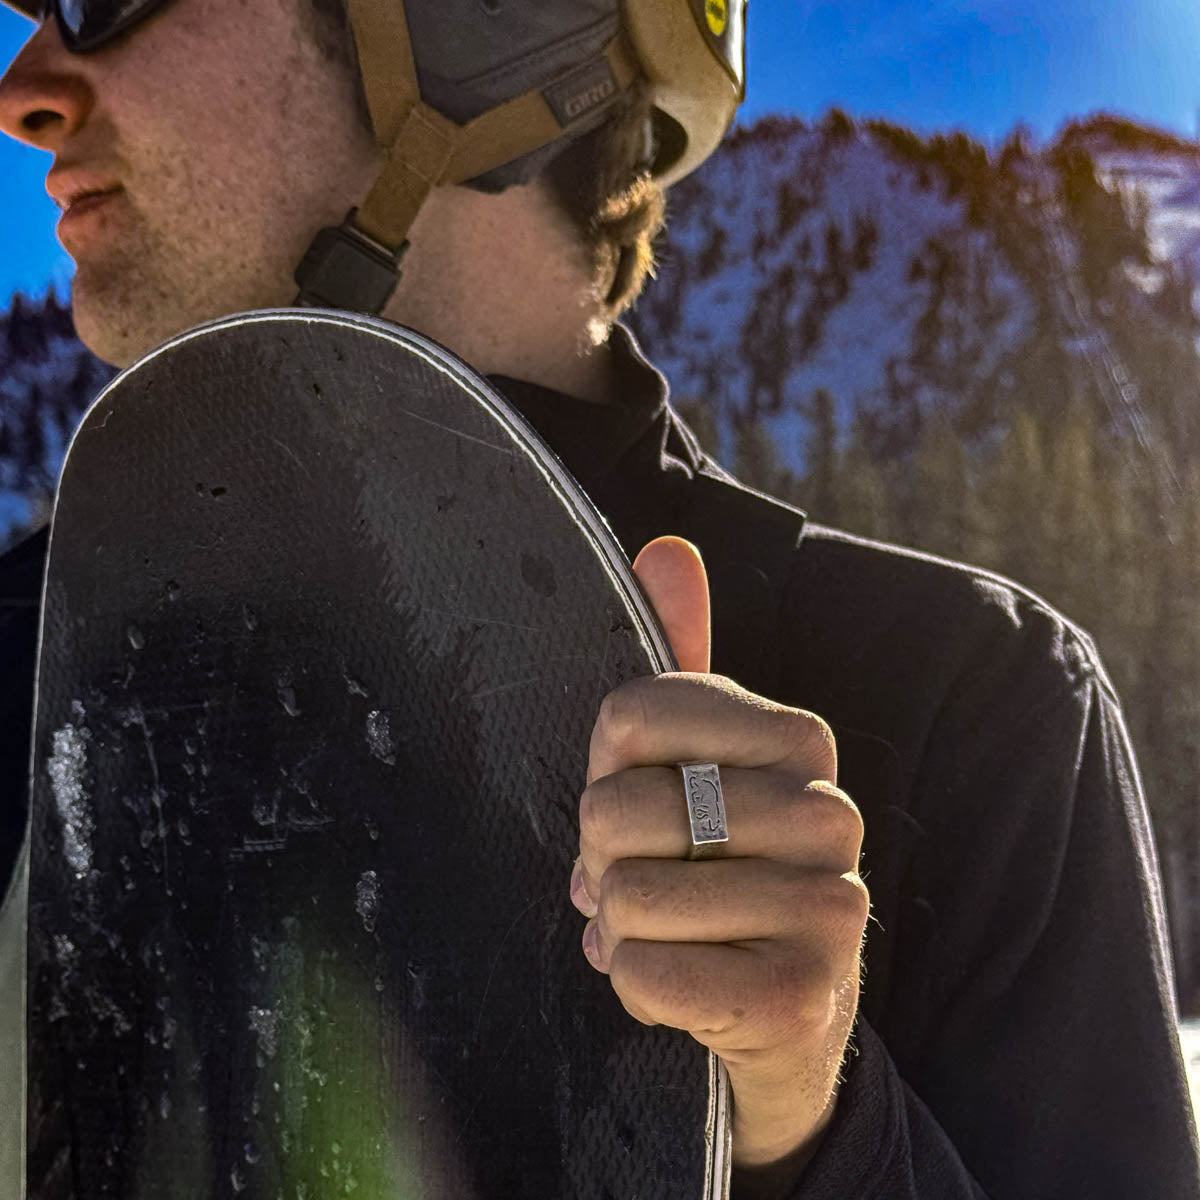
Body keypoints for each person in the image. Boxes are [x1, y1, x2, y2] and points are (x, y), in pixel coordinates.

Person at [0, 1, 1197, 1196]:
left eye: (104, 1)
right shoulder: (14, 648)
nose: (27, 90)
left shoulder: (966, 711)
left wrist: (811, 1127)